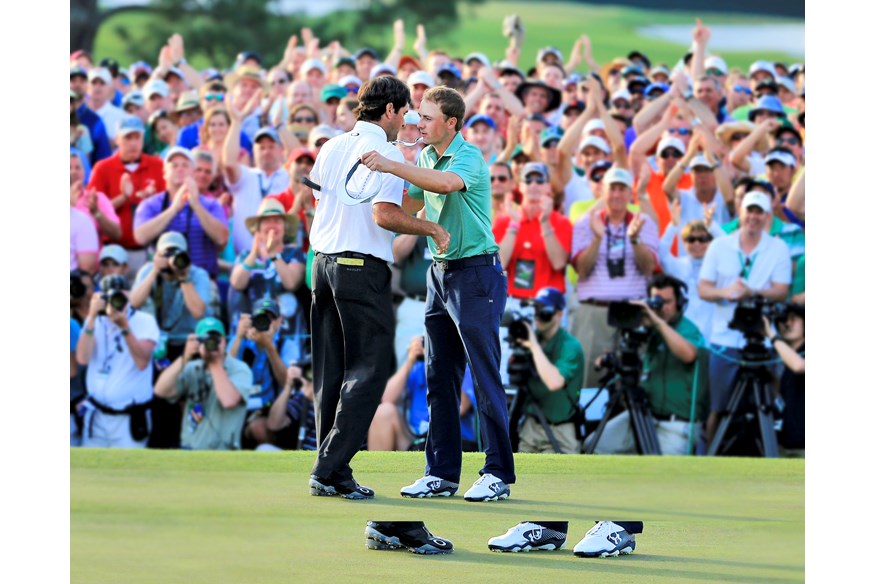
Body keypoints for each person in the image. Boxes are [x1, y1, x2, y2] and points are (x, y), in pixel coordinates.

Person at [360, 85, 514, 502]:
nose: (417, 123)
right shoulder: (425, 156)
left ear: (451, 123)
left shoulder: (468, 156)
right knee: (437, 376)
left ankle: (498, 471)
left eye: (426, 118)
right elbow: (406, 207)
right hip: (440, 274)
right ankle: (441, 473)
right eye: (417, 116)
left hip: (477, 273)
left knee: (484, 376)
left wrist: (393, 165)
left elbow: (445, 185)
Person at [307, 76, 448, 500]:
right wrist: (431, 227)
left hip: (323, 266)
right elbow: (383, 216)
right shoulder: (385, 152)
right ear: (389, 110)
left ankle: (333, 468)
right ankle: (329, 467)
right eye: (404, 112)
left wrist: (424, 201)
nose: (405, 119)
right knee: (368, 372)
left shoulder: (331, 145)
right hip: (360, 268)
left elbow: (321, 200)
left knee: (330, 372)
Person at [698, 189, 791, 444]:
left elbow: (781, 292)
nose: (753, 217)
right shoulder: (719, 245)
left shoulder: (778, 247)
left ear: (767, 216)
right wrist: (726, 292)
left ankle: (771, 457)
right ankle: (708, 461)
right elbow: (703, 288)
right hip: (724, 339)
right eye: (749, 210)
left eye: (759, 212)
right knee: (718, 406)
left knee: (770, 404)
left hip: (762, 338)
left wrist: (753, 292)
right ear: (741, 213)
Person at [587, 274, 707, 455]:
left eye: (668, 302)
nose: (662, 308)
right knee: (593, 445)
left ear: (680, 302)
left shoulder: (687, 328)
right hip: (645, 416)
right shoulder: (648, 328)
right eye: (657, 302)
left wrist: (657, 322)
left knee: (662, 478)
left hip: (675, 424)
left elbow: (688, 354)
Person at [570, 167, 659, 388]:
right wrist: (598, 238)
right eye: (612, 188)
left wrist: (635, 240)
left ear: (631, 194)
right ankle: (591, 424)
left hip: (632, 312)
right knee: (590, 380)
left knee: (631, 381)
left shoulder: (643, 222)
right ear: (603, 192)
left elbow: (649, 268)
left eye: (622, 189)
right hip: (595, 312)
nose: (617, 194)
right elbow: (581, 269)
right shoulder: (585, 222)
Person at [75, 275, 160, 448]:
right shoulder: (95, 320)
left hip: (128, 419)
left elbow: (142, 362)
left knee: (130, 472)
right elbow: (82, 358)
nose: (116, 301)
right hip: (96, 415)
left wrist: (124, 326)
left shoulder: (145, 321)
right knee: (92, 472)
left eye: (120, 295)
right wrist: (91, 317)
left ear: (129, 295)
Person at [153, 317, 255, 450]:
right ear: (198, 343)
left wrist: (214, 362)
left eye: (215, 338)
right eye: (205, 339)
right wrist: (184, 357)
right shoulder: (191, 367)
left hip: (224, 453)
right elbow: (160, 391)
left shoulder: (240, 369)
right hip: (189, 450)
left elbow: (229, 401)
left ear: (224, 341)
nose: (210, 343)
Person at [369, 335, 478, 452]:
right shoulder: (419, 368)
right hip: (416, 442)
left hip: (452, 442)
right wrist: (410, 361)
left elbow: (459, 407)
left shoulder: (464, 367)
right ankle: (379, 469)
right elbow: (386, 399)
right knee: (383, 411)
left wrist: (440, 364)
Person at [133, 147, 229, 279]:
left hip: (202, 279)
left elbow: (222, 238)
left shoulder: (211, 205)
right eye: (174, 165)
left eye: (185, 165)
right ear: (164, 173)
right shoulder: (150, 204)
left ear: (192, 172)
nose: (180, 169)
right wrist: (173, 209)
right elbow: (140, 237)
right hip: (164, 280)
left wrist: (196, 205)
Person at [87, 115, 166, 274]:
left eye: (137, 137)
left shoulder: (158, 165)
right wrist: (123, 198)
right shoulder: (102, 168)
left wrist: (151, 201)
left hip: (148, 249)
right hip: (113, 252)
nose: (133, 143)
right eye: (128, 137)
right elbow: (93, 210)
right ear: (117, 139)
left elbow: (167, 204)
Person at [513, 287, 585, 455]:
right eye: (536, 310)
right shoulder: (532, 338)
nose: (538, 317)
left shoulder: (570, 346)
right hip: (530, 427)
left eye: (544, 311)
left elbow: (554, 382)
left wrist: (533, 346)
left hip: (559, 432)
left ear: (559, 314)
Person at [493, 162, 572, 300]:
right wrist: (514, 225)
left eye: (540, 180)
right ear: (520, 186)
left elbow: (559, 263)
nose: (534, 185)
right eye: (528, 180)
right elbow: (498, 265)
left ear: (548, 186)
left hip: (548, 302)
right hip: (512, 301)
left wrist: (545, 223)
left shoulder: (561, 222)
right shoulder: (504, 221)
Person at [763, 304, 805, 456]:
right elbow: (781, 395)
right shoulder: (783, 356)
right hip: (785, 441)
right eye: (783, 320)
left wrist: (772, 336)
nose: (787, 323)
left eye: (794, 319)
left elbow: (799, 365)